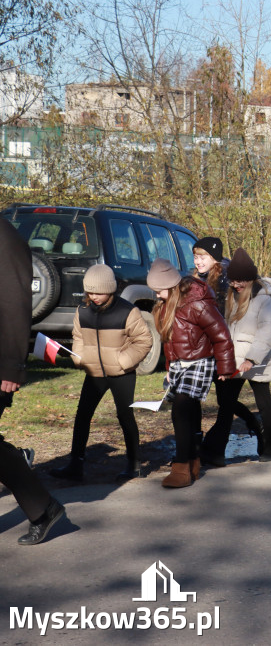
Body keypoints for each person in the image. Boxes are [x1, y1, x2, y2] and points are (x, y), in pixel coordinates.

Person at [49, 265, 153, 482]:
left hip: (121, 372)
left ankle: (134, 464)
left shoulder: (127, 311)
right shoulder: (83, 310)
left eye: (98, 292)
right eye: (90, 292)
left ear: (111, 289)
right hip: (94, 371)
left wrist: (123, 361)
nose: (94, 297)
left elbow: (144, 341)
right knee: (83, 415)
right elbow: (78, 336)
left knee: (125, 415)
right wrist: (79, 357)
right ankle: (75, 464)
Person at [0, 216, 66, 545]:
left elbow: (14, 306)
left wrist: (12, 366)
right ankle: (43, 507)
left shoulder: (5, 239)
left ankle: (43, 508)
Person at [148, 259, 236, 488]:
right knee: (189, 411)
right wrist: (169, 368)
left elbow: (221, 335)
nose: (157, 296)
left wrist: (226, 368)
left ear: (171, 286)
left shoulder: (197, 304)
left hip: (199, 361)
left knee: (180, 409)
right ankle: (194, 459)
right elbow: (169, 341)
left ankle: (181, 467)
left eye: (159, 291)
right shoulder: (165, 305)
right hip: (179, 364)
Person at [201, 249, 271, 465]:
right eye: (232, 281)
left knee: (265, 404)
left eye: (240, 282)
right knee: (226, 404)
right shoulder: (233, 296)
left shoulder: (266, 300)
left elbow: (267, 332)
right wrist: (224, 361)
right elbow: (230, 331)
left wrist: (252, 359)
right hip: (235, 360)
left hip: (256, 360)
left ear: (250, 279)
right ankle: (214, 452)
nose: (235, 285)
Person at [192, 237, 229, 312]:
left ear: (215, 260)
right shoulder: (196, 276)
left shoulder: (224, 280)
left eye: (202, 258)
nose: (198, 262)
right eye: (196, 257)